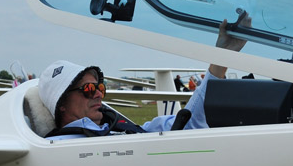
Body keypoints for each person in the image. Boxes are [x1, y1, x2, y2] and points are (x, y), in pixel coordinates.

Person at [39, 13, 250, 138]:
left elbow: (189, 124)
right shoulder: (61, 147)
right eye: (87, 89)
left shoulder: (119, 129)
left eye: (99, 87)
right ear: (62, 104)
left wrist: (223, 57)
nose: (98, 95)